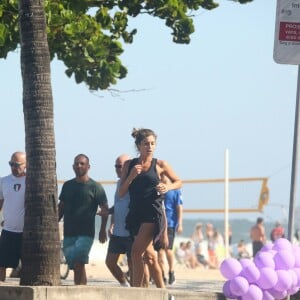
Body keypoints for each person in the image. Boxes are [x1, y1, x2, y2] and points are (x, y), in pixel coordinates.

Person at [119, 128, 182, 288]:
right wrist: (132, 176)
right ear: (138, 145)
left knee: (135, 252)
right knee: (150, 257)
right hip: (135, 215)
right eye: (146, 144)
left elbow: (178, 181)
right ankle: (162, 292)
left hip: (153, 214)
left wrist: (168, 188)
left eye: (153, 143)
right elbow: (121, 193)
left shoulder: (160, 164)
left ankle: (135, 293)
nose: (150, 147)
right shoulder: (129, 165)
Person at [58, 154, 109, 285]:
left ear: (88, 166)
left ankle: (79, 292)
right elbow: (61, 207)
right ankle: (83, 291)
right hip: (69, 233)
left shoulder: (95, 187)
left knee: (79, 263)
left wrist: (103, 230)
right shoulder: (67, 186)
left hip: (86, 234)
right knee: (76, 267)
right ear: (73, 166)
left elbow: (104, 210)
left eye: (82, 163)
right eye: (76, 164)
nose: (78, 166)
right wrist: (53, 227)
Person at [105, 154, 133, 287]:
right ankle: (125, 285)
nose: (117, 169)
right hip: (118, 231)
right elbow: (118, 204)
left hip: (131, 231)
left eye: (120, 166)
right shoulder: (118, 183)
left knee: (135, 264)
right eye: (116, 166)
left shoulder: (135, 183)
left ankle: (139, 290)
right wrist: (111, 223)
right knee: (110, 262)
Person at [0, 151, 26, 282]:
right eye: (11, 164)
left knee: (27, 267)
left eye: (17, 165)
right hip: (8, 231)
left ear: (26, 164)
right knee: (1, 264)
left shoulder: (32, 181)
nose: (14, 167)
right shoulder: (4, 181)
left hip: (27, 233)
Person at [157, 175, 183, 285]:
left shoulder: (175, 190)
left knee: (168, 250)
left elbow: (179, 207)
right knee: (159, 251)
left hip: (171, 223)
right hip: (159, 223)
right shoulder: (158, 188)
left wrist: (180, 223)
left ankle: (171, 271)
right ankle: (162, 274)